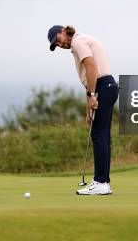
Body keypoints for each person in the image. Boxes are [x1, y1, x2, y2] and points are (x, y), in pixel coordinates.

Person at [47, 24, 119, 195]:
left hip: (102, 86)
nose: (59, 45)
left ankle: (100, 182)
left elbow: (92, 68)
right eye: (55, 45)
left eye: (57, 40)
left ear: (63, 31)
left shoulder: (78, 42)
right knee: (102, 134)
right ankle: (104, 183)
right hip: (106, 86)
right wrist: (89, 103)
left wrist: (92, 95)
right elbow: (90, 75)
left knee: (99, 134)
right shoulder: (80, 41)